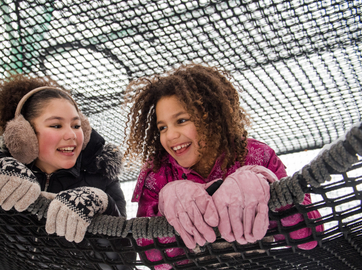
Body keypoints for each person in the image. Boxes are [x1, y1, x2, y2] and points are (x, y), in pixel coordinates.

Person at [124, 63, 323, 269]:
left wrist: (266, 185)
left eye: (182, 120)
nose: (171, 135)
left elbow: (308, 237)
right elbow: (152, 259)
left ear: (210, 116)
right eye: (162, 127)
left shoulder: (258, 156)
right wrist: (165, 211)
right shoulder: (157, 174)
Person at [0, 74, 127, 245]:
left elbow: (125, 257)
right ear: (25, 134)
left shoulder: (103, 178)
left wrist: (103, 202)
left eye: (76, 126)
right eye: (56, 125)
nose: (71, 135)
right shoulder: (9, 171)